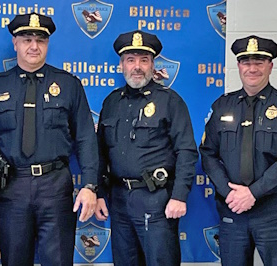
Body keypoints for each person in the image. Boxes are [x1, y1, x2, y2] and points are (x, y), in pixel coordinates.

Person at [0, 13, 99, 266]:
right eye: (27, 39)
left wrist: (90, 186)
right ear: (15, 43)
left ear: (47, 44)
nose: (33, 46)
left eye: (40, 40)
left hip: (55, 187)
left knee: (59, 261)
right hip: (11, 189)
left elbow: (86, 137)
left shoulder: (69, 85)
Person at [94, 30, 198, 265]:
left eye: (144, 60)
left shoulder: (170, 101)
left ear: (153, 65)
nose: (137, 67)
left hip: (156, 199)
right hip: (119, 200)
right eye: (131, 60)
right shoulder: (111, 102)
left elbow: (186, 151)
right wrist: (99, 192)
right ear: (122, 64)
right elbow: (100, 153)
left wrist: (179, 196)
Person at [199, 35, 277, 265]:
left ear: (270, 66)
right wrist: (231, 194)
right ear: (238, 66)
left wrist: (253, 193)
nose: (252, 68)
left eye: (259, 62)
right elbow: (208, 154)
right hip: (233, 211)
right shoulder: (222, 106)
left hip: (275, 212)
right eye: (246, 62)